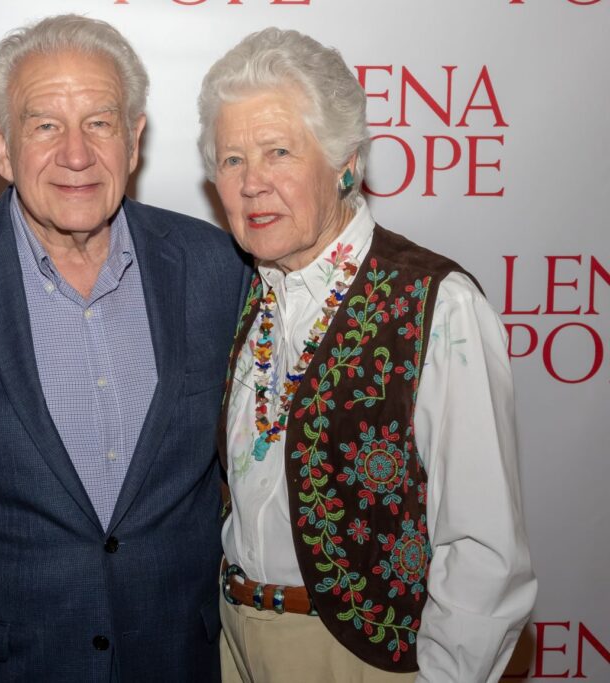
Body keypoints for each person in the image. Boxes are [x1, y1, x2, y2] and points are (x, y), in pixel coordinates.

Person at [0, 14, 249, 682]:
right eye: (44, 125)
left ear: (133, 140)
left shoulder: (217, 268)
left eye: (99, 122)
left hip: (175, 660)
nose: (76, 154)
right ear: (2, 146)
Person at [199, 27, 538, 683]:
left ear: (345, 162)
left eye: (278, 151)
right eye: (232, 160)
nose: (252, 183)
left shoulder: (436, 304)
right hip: (235, 642)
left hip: (361, 658)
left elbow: (484, 550)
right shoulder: (243, 292)